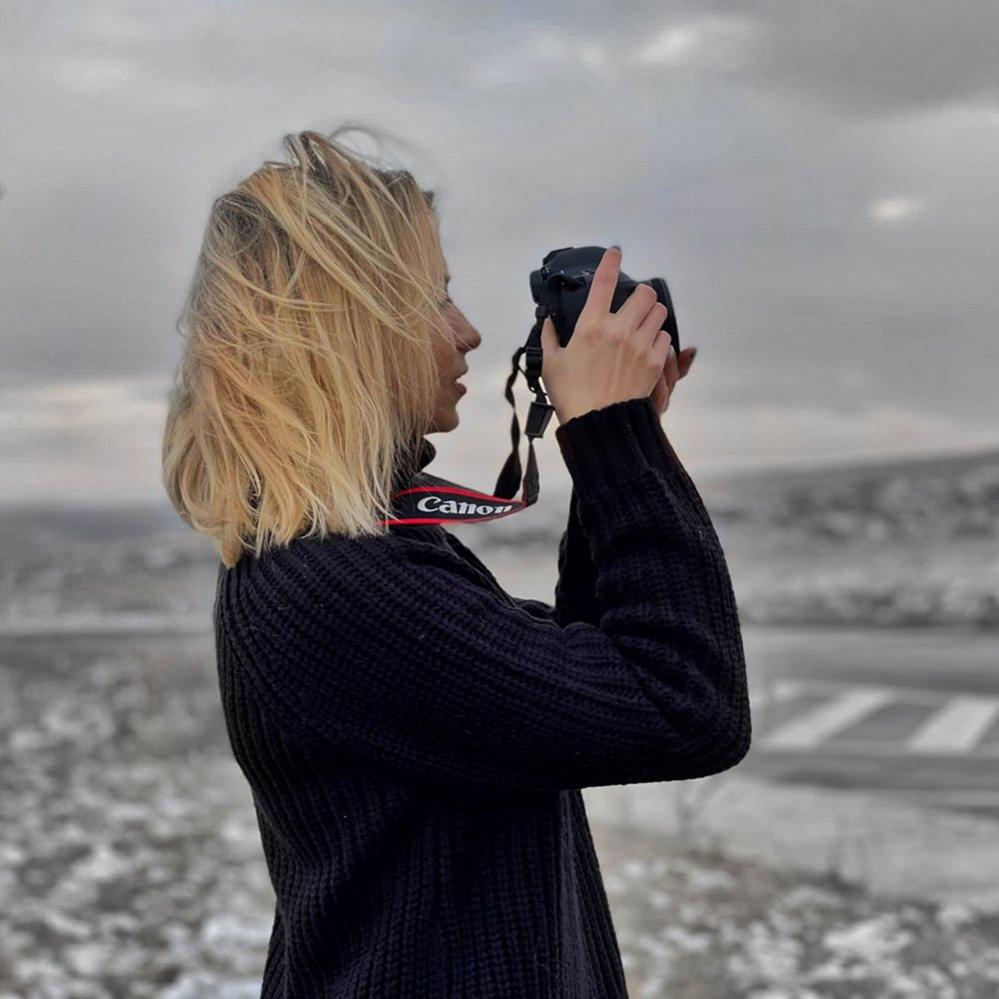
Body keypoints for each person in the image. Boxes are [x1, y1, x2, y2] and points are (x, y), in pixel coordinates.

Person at [161, 126, 750, 998]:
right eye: (434, 299)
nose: (470, 332)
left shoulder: (341, 559)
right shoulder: (336, 586)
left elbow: (585, 677)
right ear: (350, 328)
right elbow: (680, 703)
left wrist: (621, 441)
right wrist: (607, 434)